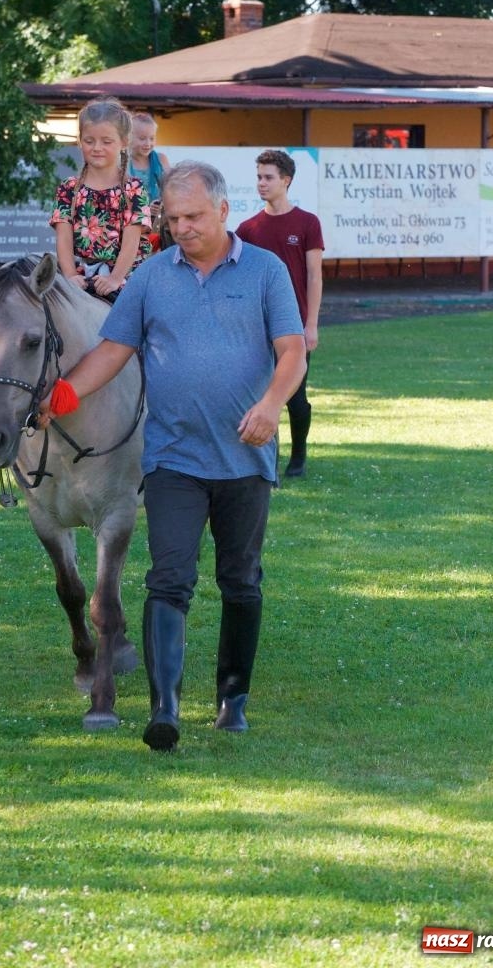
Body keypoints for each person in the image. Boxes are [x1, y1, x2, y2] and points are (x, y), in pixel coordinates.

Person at [51, 161, 306, 750]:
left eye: (193, 216)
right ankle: (164, 710)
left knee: (240, 581)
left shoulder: (265, 272)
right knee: (168, 579)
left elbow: (291, 352)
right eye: (173, 218)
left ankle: (231, 702)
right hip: (172, 458)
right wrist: (59, 396)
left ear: (222, 209)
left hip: (246, 459)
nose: (183, 227)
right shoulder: (151, 278)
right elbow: (113, 349)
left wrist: (271, 405)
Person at [236, 150, 324, 478]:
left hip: (293, 329)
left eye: (268, 177)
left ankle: (298, 456)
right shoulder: (247, 230)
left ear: (285, 180)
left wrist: (310, 324)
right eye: (259, 176)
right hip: (255, 329)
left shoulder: (307, 223)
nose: (262, 183)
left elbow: (314, 276)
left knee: (295, 398)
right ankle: (265, 459)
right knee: (259, 395)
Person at [49, 96, 151, 300]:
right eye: (89, 141)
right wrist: (69, 275)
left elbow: (132, 242)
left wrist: (114, 279)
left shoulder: (133, 189)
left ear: (123, 142)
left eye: (106, 141)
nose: (97, 148)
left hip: (124, 275)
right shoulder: (69, 188)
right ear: (80, 141)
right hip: (80, 274)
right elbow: (64, 238)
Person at [128, 111, 171, 212]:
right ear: (128, 138)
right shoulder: (122, 162)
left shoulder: (161, 159)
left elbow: (171, 189)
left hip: (158, 218)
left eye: (152, 138)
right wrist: (145, 209)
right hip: (133, 219)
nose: (148, 143)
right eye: (142, 138)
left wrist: (162, 204)